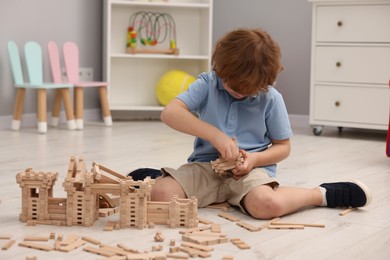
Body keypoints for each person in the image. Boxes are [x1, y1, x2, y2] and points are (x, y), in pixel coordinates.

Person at [130, 28, 372, 219]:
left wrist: (254, 160)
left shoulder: (271, 98)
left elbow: (283, 147)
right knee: (161, 196)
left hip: (251, 173)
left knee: (268, 205)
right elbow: (170, 113)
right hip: (205, 167)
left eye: (248, 91)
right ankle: (158, 179)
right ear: (220, 68)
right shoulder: (209, 83)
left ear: (265, 83)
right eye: (232, 85)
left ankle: (321, 194)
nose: (237, 92)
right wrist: (216, 136)